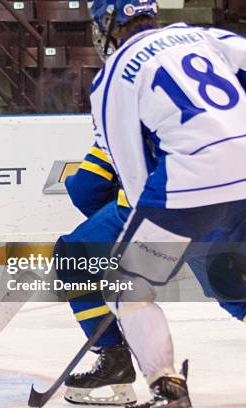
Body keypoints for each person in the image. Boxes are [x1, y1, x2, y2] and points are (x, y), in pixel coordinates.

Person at [88, 1, 246, 407]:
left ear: (108, 23)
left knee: (127, 285)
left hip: (192, 183)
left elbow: (132, 170)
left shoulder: (113, 75)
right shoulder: (206, 35)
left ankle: (167, 388)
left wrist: (156, 241)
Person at [57, 144, 246, 406]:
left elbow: (86, 189)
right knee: (235, 296)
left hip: (165, 216)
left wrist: (123, 228)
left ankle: (113, 357)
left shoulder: (130, 110)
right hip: (229, 210)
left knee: (75, 254)